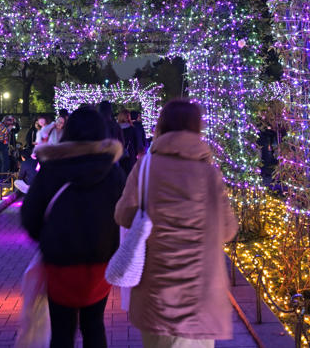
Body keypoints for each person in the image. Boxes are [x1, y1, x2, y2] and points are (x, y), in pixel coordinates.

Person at [114, 100, 238, 348]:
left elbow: (123, 215)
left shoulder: (146, 166)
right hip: (202, 294)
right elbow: (227, 230)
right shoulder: (209, 174)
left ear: (162, 125)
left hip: (158, 292)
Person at [22, 106, 125, 348]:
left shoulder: (51, 168)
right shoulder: (113, 172)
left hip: (59, 262)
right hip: (101, 263)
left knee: (61, 331)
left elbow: (30, 214)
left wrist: (48, 238)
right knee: (94, 325)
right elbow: (125, 217)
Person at [116, 109, 143, 175]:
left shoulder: (116, 128)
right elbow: (137, 142)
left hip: (118, 153)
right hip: (130, 153)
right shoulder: (132, 129)